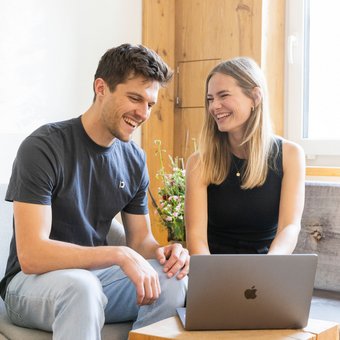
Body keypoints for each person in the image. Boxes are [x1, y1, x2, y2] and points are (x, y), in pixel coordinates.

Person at [0, 43, 189, 339]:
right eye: (135, 98)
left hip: (92, 279)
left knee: (173, 280)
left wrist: (166, 253)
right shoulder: (44, 147)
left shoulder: (134, 159)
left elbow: (140, 241)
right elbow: (32, 254)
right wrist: (118, 254)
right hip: (30, 285)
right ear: (101, 88)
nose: (143, 113)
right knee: (82, 288)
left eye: (150, 104)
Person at [185, 57, 305, 255]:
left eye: (223, 95)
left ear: (255, 97)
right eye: (210, 99)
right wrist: (210, 280)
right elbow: (196, 238)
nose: (214, 106)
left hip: (268, 266)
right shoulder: (199, 162)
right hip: (215, 269)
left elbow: (289, 228)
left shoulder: (290, 155)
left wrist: (270, 267)